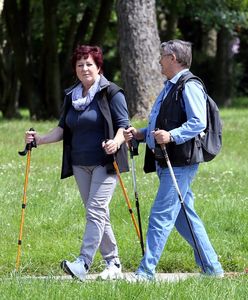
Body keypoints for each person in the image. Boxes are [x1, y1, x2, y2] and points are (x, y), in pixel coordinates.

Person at [25, 45, 129, 281]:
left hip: (105, 162)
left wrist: (116, 141)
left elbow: (125, 126)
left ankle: (83, 263)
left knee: (95, 210)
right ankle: (113, 263)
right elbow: (62, 128)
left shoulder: (111, 92)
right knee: (99, 213)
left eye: (89, 64)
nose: (84, 68)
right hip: (79, 163)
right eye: (80, 64)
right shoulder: (72, 96)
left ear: (98, 66)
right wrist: (38, 140)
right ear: (75, 69)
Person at [124, 39, 224, 281]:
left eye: (162, 57)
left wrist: (171, 136)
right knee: (184, 217)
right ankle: (213, 269)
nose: (159, 61)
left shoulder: (188, 85)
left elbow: (198, 122)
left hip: (180, 162)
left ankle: (145, 273)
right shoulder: (170, 86)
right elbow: (161, 124)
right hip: (168, 160)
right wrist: (140, 134)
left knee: (160, 215)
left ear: (173, 58)